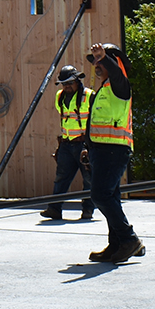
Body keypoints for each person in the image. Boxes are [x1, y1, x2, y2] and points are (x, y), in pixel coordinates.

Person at [85, 43, 144, 264]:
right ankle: (117, 244)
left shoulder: (120, 84)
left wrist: (105, 57)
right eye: (95, 63)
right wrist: (88, 147)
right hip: (102, 149)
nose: (97, 66)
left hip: (113, 150)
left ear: (114, 63)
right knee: (111, 197)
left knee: (100, 196)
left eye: (101, 62)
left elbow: (117, 71)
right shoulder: (105, 89)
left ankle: (129, 240)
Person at [41, 65, 93, 221]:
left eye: (70, 82)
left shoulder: (89, 96)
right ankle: (54, 209)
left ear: (77, 81)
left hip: (84, 144)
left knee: (89, 178)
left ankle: (88, 210)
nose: (67, 86)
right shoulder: (60, 96)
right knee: (61, 178)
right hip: (66, 143)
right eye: (64, 83)